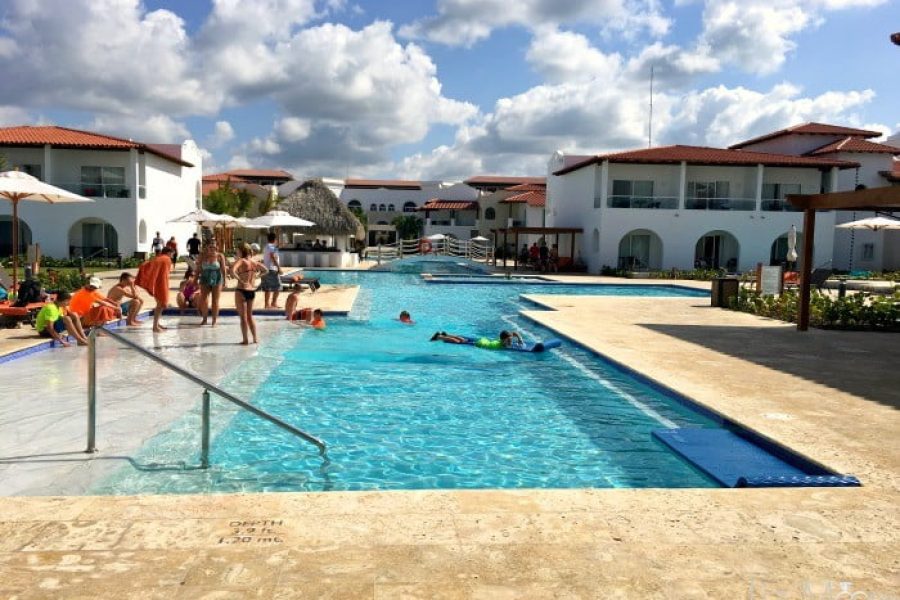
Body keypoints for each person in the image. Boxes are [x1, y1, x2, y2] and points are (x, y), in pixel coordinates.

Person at [232, 242, 269, 345]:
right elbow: (266, 270)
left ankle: (245, 340)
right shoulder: (254, 262)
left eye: (237, 250)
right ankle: (255, 338)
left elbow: (233, 271)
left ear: (241, 250)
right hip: (251, 290)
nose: (237, 251)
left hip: (241, 290)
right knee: (250, 316)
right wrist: (257, 276)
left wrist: (240, 279)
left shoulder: (241, 261)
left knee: (243, 317)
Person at [135, 247, 174, 333]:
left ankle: (157, 324)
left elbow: (145, 265)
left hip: (157, 284)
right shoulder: (166, 259)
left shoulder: (159, 258)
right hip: (161, 285)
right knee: (160, 305)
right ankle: (155, 327)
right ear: (168, 253)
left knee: (160, 305)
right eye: (172, 253)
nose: (172, 255)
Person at [197, 242, 227, 326]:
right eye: (210, 247)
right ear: (207, 247)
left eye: (214, 247)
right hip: (205, 277)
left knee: (215, 300)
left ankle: (214, 321)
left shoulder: (220, 256)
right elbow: (198, 268)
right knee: (204, 299)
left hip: (217, 278)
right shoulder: (202, 256)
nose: (212, 248)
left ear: (217, 247)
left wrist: (225, 280)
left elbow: (223, 269)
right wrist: (195, 279)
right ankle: (204, 319)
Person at [261, 232, 282, 309]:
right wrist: (279, 268)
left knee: (268, 288)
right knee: (278, 287)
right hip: (272, 269)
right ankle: (273, 303)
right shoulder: (272, 247)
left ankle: (267, 305)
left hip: (266, 269)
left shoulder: (266, 246)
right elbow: (272, 257)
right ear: (275, 239)